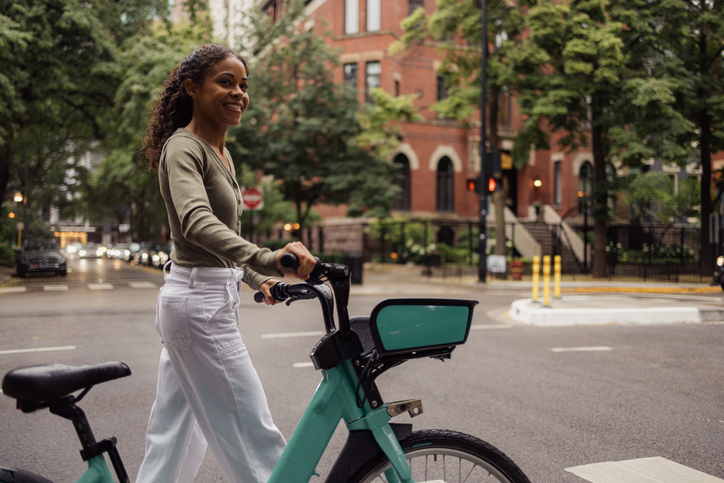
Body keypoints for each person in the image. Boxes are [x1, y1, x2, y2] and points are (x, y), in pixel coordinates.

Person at [136, 44, 317, 483]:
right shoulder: (184, 148)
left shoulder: (221, 153)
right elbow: (196, 222)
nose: (238, 92)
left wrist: (259, 279)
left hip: (202, 300)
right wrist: (266, 257)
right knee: (252, 432)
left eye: (243, 84)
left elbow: (219, 240)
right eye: (226, 82)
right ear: (192, 88)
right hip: (199, 307)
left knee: (175, 436)